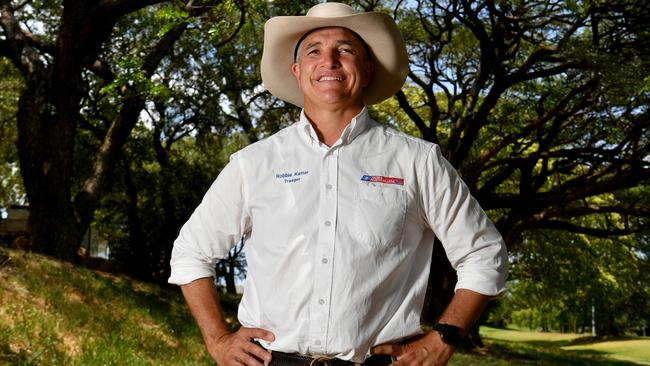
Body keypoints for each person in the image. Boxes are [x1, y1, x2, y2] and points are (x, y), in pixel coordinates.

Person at [169, 3, 508, 366]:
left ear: (366, 68)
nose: (329, 61)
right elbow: (192, 252)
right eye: (314, 51)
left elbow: (483, 253)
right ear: (298, 72)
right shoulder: (253, 164)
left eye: (345, 50)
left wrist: (445, 338)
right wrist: (218, 338)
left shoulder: (417, 161)